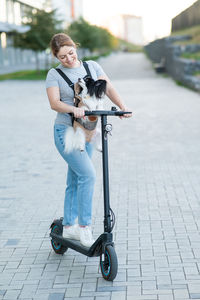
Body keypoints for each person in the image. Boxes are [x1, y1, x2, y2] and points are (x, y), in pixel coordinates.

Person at [46, 33, 132, 248]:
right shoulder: (54, 74)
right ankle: (84, 228)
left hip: (88, 131)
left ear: (75, 47)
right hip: (66, 132)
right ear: (56, 57)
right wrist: (73, 109)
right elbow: (55, 103)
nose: (68, 59)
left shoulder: (92, 66)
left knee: (75, 180)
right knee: (88, 176)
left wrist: (122, 107)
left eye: (71, 53)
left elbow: (109, 87)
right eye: (62, 57)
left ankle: (68, 227)